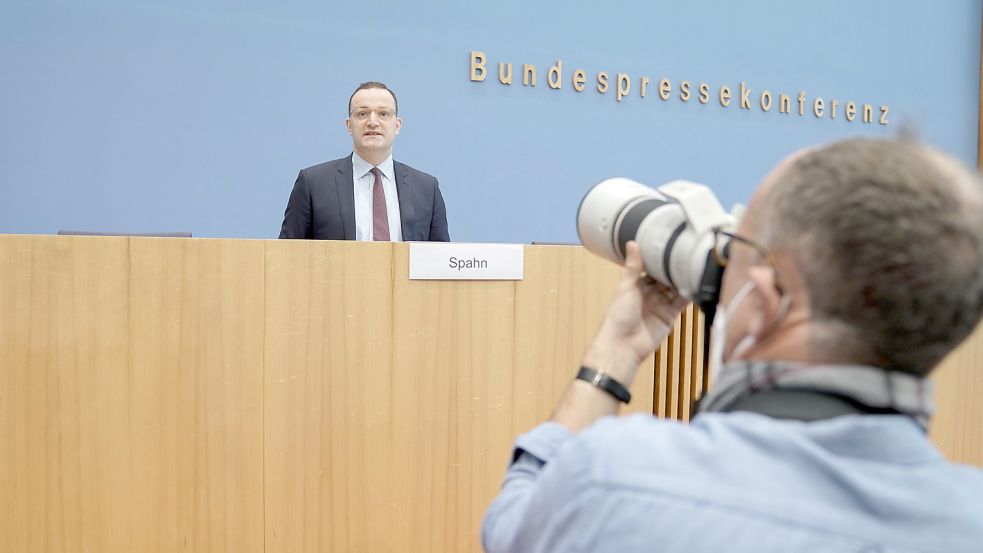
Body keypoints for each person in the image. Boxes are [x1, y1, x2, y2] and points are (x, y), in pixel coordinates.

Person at [482, 139, 983, 552]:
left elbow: (515, 529)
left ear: (765, 301)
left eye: (738, 248)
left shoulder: (616, 483)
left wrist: (613, 354)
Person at [279, 81, 449, 241]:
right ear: (349, 125)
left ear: (397, 125)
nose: (373, 122)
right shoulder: (313, 184)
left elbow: (441, 261)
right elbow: (285, 256)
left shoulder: (427, 188)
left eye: (383, 113)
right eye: (362, 114)